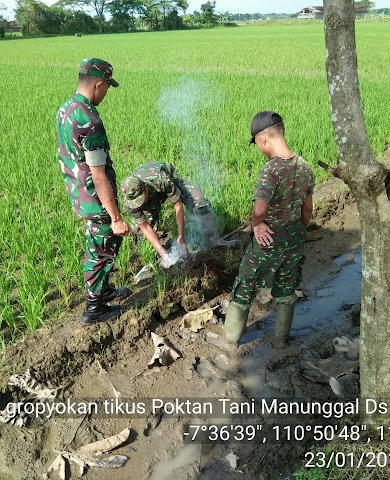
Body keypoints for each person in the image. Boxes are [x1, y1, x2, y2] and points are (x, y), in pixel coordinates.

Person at [224, 111, 314, 348]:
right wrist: (298, 233)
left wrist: (256, 225)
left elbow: (260, 209)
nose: (259, 149)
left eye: (257, 144)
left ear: (263, 139)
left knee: (245, 284)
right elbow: (307, 210)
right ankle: (280, 341)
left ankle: (231, 342)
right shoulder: (305, 167)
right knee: (286, 289)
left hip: (268, 239)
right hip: (294, 237)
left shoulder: (271, 170)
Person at [55, 58, 131, 325]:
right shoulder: (89, 121)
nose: (106, 93)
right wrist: (116, 217)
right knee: (100, 252)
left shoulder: (66, 108)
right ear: (98, 84)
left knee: (99, 247)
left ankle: (103, 291)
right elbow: (99, 176)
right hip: (95, 198)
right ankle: (94, 309)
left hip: (78, 193)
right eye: (107, 87)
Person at [120, 162, 237, 268]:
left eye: (140, 198)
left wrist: (181, 237)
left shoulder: (161, 179)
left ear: (145, 187)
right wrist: (163, 254)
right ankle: (162, 254)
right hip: (151, 192)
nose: (139, 203)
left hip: (169, 181)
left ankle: (214, 239)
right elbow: (144, 226)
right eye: (135, 201)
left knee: (198, 202)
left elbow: (178, 204)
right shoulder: (130, 202)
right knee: (140, 231)